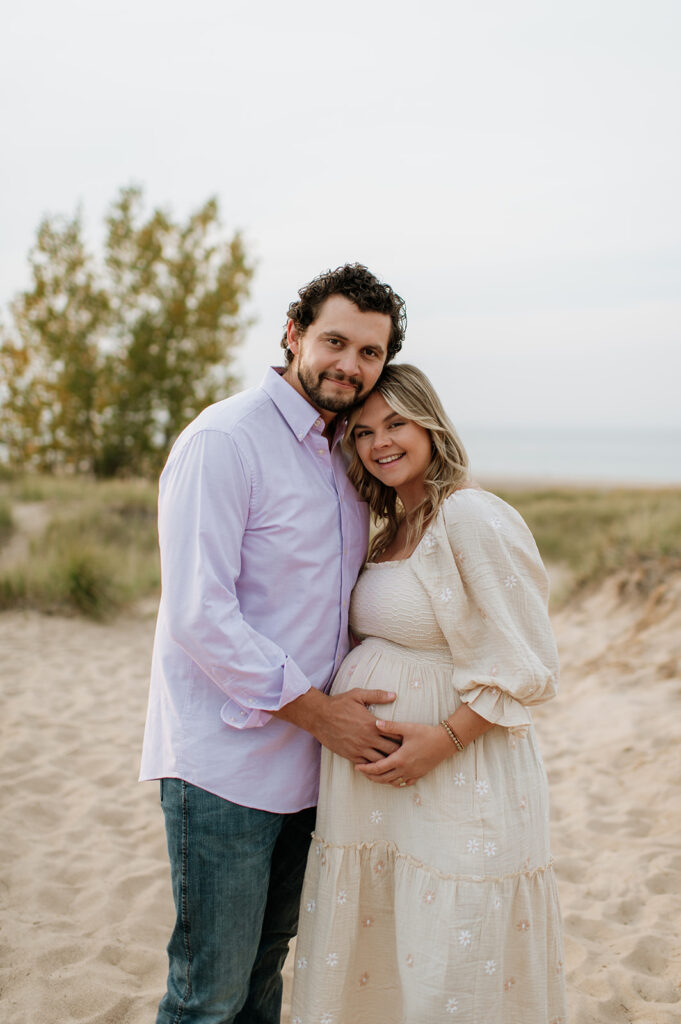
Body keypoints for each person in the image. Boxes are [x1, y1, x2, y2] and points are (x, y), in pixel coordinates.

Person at [139, 263, 408, 1024]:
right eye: (334, 341)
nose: (349, 365)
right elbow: (198, 614)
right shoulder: (224, 441)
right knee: (209, 993)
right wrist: (324, 714)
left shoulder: (342, 459)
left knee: (264, 973)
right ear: (293, 334)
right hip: (223, 769)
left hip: (310, 772)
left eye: (369, 353)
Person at [291, 364, 568, 1024]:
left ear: (430, 425)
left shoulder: (468, 515)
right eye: (362, 433)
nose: (379, 443)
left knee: (453, 944)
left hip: (459, 774)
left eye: (396, 424)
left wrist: (440, 740)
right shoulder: (393, 525)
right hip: (383, 795)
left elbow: (526, 665)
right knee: (390, 943)